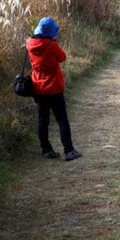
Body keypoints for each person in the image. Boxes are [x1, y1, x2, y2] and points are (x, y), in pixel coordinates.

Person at [26, 17, 82, 161]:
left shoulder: (30, 43)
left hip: (38, 87)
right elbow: (62, 57)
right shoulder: (51, 45)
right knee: (62, 119)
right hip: (54, 88)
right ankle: (69, 151)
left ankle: (46, 149)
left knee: (42, 120)